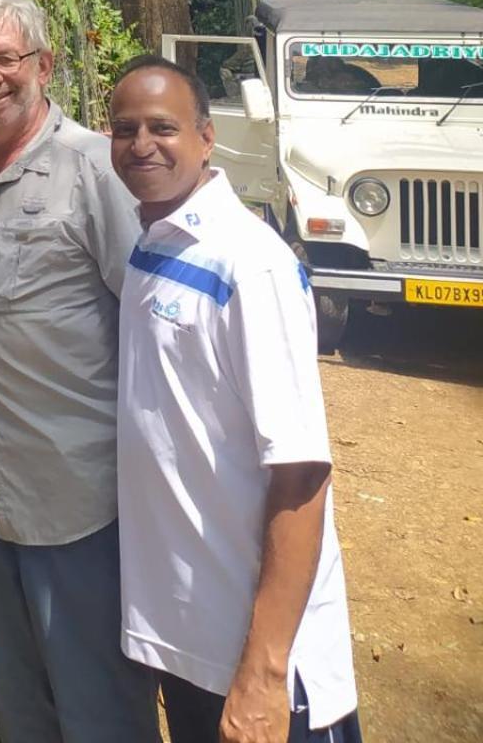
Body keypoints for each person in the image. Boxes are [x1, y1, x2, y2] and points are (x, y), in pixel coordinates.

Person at [108, 54, 362, 743]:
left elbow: (302, 472)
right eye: (123, 127)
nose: (141, 145)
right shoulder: (153, 248)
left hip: (261, 661)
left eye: (162, 127)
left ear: (206, 137)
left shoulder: (249, 265)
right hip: (193, 641)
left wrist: (266, 669)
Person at [0, 0, 158, 743]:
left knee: (99, 707)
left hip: (79, 498)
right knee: (20, 706)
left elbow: (151, 322)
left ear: (44, 64)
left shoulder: (95, 167)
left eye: (6, 58)